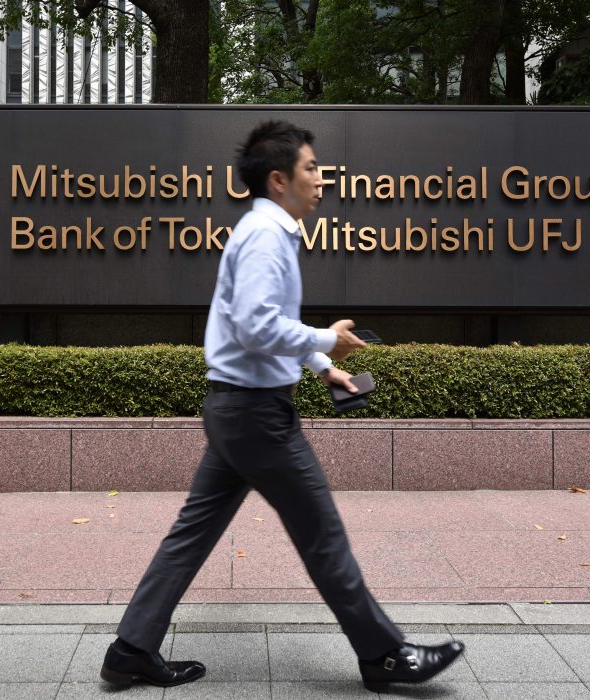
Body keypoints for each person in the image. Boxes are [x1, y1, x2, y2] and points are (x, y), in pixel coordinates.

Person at [101, 120, 464, 692]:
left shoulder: (265, 232)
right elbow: (255, 326)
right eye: (311, 169)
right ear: (278, 180)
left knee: (191, 534)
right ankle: (385, 656)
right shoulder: (267, 236)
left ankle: (130, 649)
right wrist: (326, 340)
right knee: (322, 534)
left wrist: (325, 368)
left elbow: (267, 326)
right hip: (256, 418)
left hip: (236, 413)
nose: (322, 179)